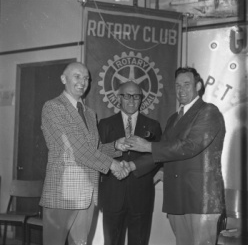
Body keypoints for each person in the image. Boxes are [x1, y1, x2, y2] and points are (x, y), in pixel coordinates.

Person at [126, 67, 226, 245]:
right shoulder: (173, 118)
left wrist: (148, 145)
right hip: (177, 198)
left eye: (187, 84)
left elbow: (190, 146)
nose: (181, 89)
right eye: (177, 85)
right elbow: (163, 153)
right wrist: (132, 166)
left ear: (199, 85)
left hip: (201, 199)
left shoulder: (209, 112)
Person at [40, 62, 130, 245]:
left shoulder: (90, 113)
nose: (83, 82)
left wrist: (115, 146)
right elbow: (76, 150)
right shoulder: (53, 107)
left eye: (86, 78)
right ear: (64, 79)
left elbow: (92, 150)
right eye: (77, 76)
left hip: (88, 194)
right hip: (62, 194)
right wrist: (113, 165)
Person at [98, 81, 162, 245]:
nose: (132, 100)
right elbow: (97, 154)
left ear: (141, 99)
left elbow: (156, 157)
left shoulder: (153, 126)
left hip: (141, 195)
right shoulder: (105, 125)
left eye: (136, 96)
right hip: (112, 195)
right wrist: (114, 166)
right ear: (119, 98)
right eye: (127, 96)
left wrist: (133, 167)